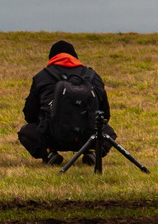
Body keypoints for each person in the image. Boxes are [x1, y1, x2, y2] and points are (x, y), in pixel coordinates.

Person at [18, 39, 115, 167]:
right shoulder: (92, 76)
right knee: (109, 132)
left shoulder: (42, 76)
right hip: (87, 136)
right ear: (75, 57)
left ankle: (49, 153)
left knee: (26, 131)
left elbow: (30, 115)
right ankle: (92, 152)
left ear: (52, 58)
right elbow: (105, 115)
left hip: (53, 136)